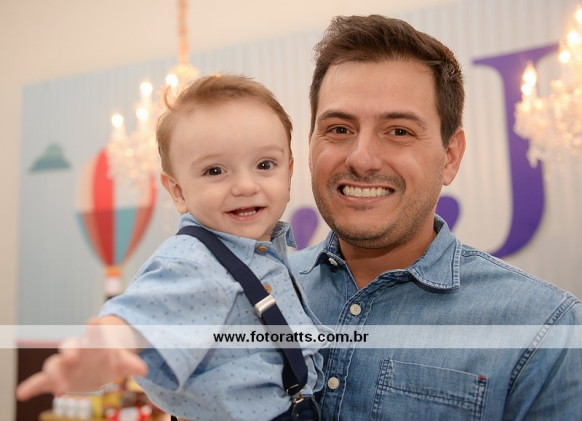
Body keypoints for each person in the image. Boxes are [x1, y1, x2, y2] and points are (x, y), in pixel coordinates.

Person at [288, 15, 582, 420]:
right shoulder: (254, 293)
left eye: (399, 131)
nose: (361, 158)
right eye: (339, 129)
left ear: (450, 156)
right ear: (310, 145)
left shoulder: (544, 329)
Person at [16, 74, 325, 421]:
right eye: (215, 170)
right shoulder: (193, 261)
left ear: (288, 172)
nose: (245, 185)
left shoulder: (269, 254)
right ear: (178, 192)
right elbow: (141, 313)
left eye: (264, 165)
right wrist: (104, 350)